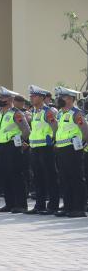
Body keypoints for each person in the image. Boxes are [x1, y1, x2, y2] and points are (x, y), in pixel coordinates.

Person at [0, 86, 31, 214]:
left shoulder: (16, 113)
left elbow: (26, 130)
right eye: (0, 97)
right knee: (4, 175)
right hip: (1, 146)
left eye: (3, 97)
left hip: (12, 146)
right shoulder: (0, 113)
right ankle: (9, 203)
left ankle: (21, 204)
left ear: (10, 99)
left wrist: (19, 141)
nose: (0, 99)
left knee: (16, 175)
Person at [54, 86, 88, 217]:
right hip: (62, 150)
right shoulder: (61, 113)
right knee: (64, 178)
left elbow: (85, 132)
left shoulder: (76, 113)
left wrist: (80, 146)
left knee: (76, 178)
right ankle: (68, 206)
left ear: (70, 99)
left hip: (73, 150)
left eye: (62, 97)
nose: (59, 99)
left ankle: (78, 208)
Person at [26, 85, 59, 215]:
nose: (31, 98)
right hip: (35, 148)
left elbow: (55, 127)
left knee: (50, 176)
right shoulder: (34, 112)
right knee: (38, 177)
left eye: (33, 96)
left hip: (46, 148)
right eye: (31, 96)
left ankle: (53, 205)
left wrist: (53, 141)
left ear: (41, 97)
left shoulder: (48, 111)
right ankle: (39, 205)